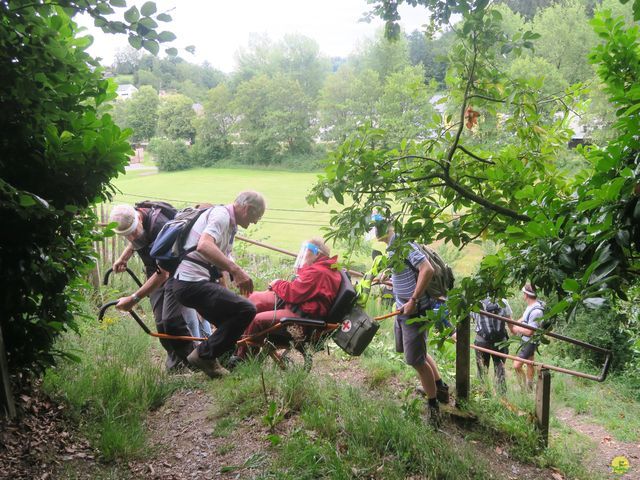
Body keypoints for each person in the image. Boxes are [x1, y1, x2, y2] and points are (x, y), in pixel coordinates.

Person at [166, 191, 266, 379]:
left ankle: (221, 361)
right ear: (248, 209)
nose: (255, 222)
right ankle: (203, 355)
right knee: (247, 310)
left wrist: (227, 292)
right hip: (191, 282)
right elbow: (204, 245)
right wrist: (236, 270)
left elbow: (221, 260)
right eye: (257, 217)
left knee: (230, 321)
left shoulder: (229, 224)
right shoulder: (221, 215)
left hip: (190, 283)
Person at [376, 218, 449, 427]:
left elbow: (427, 270)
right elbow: (406, 270)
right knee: (420, 354)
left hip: (414, 311)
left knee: (415, 361)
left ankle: (433, 408)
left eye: (374, 228)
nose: (373, 233)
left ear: (385, 227)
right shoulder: (394, 247)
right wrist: (388, 273)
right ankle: (439, 387)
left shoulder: (402, 244)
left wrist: (413, 300)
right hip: (404, 309)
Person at [109, 202, 194, 371]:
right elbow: (137, 240)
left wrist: (134, 299)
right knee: (160, 323)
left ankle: (195, 361)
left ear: (139, 217)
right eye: (126, 235)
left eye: (132, 232)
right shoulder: (137, 221)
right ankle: (176, 364)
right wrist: (124, 257)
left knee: (171, 320)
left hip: (175, 269)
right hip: (155, 269)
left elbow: (163, 274)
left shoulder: (160, 225)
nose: (132, 237)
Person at [234, 238, 342, 361]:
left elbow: (294, 292)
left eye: (306, 252)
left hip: (302, 317)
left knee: (256, 321)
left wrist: (277, 283)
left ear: (317, 254)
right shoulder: (323, 267)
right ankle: (233, 342)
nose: (303, 256)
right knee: (254, 300)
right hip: (299, 306)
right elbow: (300, 289)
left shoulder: (319, 272)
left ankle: (242, 359)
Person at [471, 297, 512, 392]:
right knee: (500, 369)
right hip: (500, 342)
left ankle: (482, 394)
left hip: (481, 341)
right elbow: (511, 325)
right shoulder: (503, 302)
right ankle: (501, 396)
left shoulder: (475, 303)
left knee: (482, 370)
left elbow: (471, 317)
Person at [509, 284, 544, 390]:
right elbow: (524, 318)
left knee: (516, 365)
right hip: (526, 340)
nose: (523, 295)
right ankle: (529, 387)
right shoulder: (531, 306)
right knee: (529, 363)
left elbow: (529, 331)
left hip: (529, 341)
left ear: (526, 294)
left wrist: (516, 329)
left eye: (523, 293)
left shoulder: (536, 311)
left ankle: (524, 387)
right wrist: (515, 323)